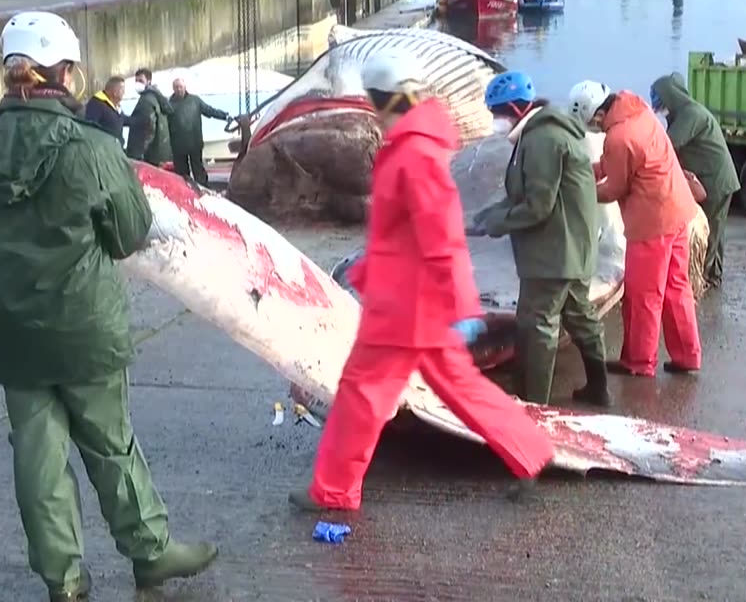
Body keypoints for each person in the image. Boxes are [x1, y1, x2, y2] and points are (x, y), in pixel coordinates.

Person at [0, 11, 218, 602]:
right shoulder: (92, 148)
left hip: (11, 334)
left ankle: (64, 580)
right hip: (85, 330)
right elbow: (129, 234)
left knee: (39, 460)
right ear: (65, 74)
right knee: (110, 444)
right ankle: (150, 552)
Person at [288, 49, 555, 512]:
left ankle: (334, 490)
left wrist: (464, 307)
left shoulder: (412, 154)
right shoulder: (416, 147)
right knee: (460, 387)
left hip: (403, 309)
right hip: (416, 304)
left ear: (385, 99)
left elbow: (442, 235)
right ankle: (531, 451)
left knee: (361, 394)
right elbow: (411, 234)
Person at [468, 71, 611, 408]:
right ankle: (599, 388)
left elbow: (537, 206)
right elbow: (524, 195)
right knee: (579, 316)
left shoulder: (542, 140)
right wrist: (484, 217)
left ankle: (532, 406)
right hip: (573, 248)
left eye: (498, 113)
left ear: (517, 109)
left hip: (554, 254)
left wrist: (496, 224)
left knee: (536, 325)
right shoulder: (540, 134)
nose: (495, 121)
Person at [568, 80, 702, 378]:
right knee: (676, 288)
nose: (596, 130)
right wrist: (587, 171)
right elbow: (617, 162)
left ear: (596, 116)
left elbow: (613, 189)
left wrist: (578, 188)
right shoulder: (638, 112)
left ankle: (640, 362)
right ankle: (687, 355)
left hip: (652, 222)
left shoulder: (618, 136)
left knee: (643, 295)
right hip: (679, 209)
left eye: (593, 126)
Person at [650, 72, 740, 288]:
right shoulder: (685, 114)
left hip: (716, 181)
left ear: (671, 96)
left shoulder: (691, 115)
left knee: (708, 231)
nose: (660, 108)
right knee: (715, 231)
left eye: (661, 101)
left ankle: (705, 280)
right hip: (714, 178)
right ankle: (713, 276)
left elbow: (669, 144)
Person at [169, 75, 233, 186]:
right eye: (176, 87)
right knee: (181, 174)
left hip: (194, 142)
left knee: (198, 169)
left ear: (185, 87)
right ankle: (185, 191)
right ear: (173, 89)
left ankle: (203, 188)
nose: (179, 89)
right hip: (178, 145)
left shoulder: (195, 101)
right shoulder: (168, 105)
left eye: (180, 86)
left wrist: (225, 116)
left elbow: (209, 111)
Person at [126, 68, 173, 164]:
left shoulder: (146, 101)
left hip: (150, 156)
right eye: (136, 81)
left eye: (141, 81)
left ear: (149, 82)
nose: (137, 84)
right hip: (159, 152)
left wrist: (138, 154)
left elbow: (147, 128)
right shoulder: (156, 97)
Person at [85, 75, 128, 141]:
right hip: (104, 149)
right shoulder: (96, 105)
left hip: (115, 147)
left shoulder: (115, 104)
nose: (124, 93)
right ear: (115, 92)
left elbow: (121, 120)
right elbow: (90, 130)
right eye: (122, 90)